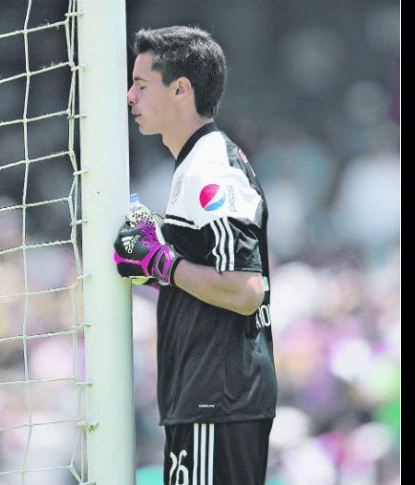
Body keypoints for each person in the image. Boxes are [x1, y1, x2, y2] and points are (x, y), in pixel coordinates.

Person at [112, 26, 277, 485]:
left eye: (141, 84)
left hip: (217, 400)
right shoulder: (193, 164)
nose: (129, 96)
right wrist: (157, 266)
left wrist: (162, 262)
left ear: (180, 89)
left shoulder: (211, 168)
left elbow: (245, 289)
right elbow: (206, 276)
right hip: (207, 399)